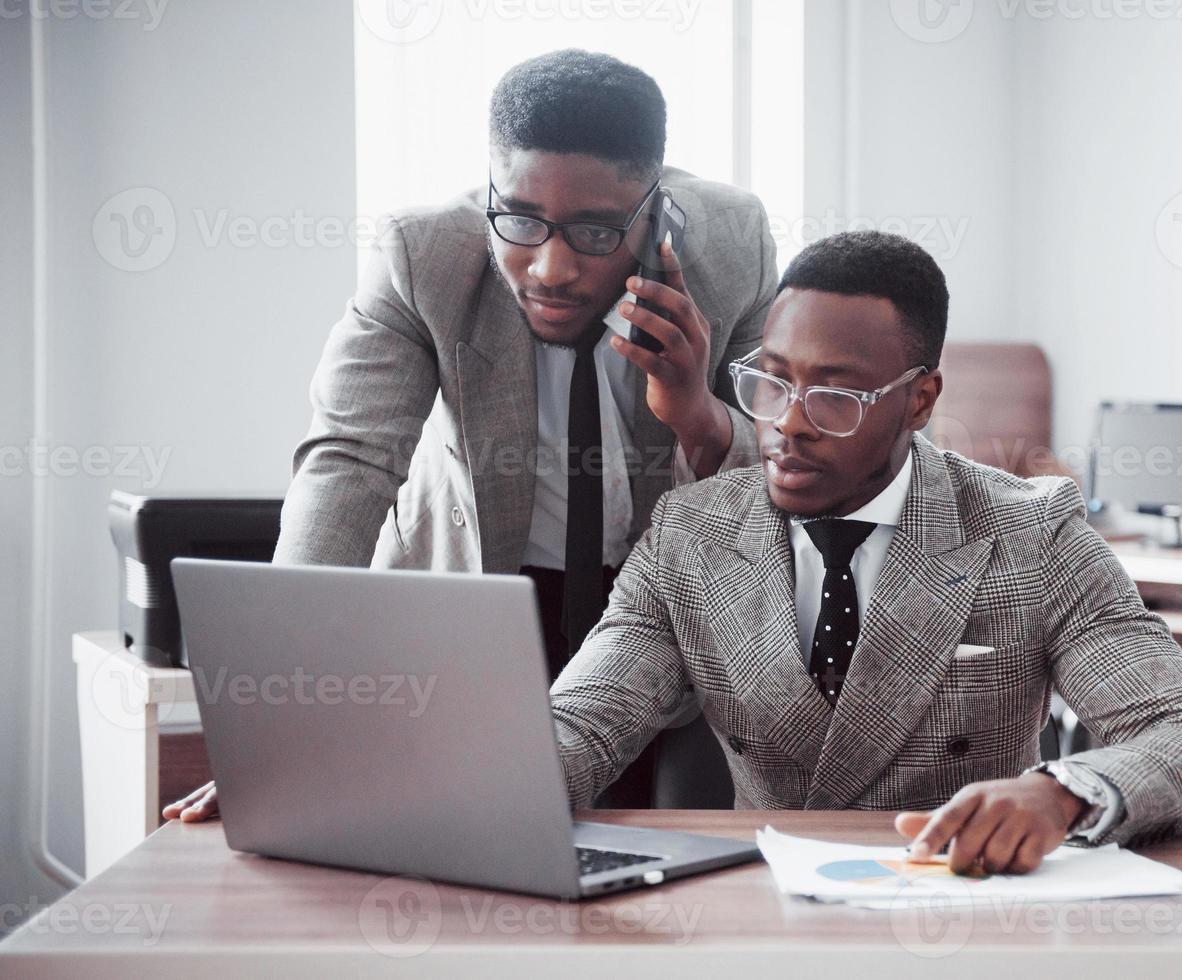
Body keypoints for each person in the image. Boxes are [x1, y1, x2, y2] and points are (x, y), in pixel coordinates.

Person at [164, 48, 773, 822]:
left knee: (656, 880)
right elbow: (348, 460)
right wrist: (279, 721)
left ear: (652, 209)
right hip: (479, 603)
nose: (549, 267)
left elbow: (779, 476)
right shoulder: (426, 256)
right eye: (519, 218)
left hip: (655, 615)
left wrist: (698, 412)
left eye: (593, 232)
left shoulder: (733, 246)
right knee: (467, 848)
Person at [548, 230, 1182, 872]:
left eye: (836, 396)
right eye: (774, 381)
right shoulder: (688, 535)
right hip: (763, 906)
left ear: (919, 401)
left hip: (965, 905)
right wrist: (478, 786)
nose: (788, 424)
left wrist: (1059, 793)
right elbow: (583, 723)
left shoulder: (1035, 537)